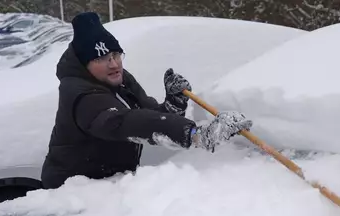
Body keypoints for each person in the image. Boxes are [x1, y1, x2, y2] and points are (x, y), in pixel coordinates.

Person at [41, 11, 252, 189]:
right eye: (101, 59)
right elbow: (122, 122)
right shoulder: (79, 93)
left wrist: (174, 102)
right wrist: (196, 135)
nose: (114, 64)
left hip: (108, 183)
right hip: (73, 191)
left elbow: (151, 114)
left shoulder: (119, 80)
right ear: (84, 65)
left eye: (115, 55)